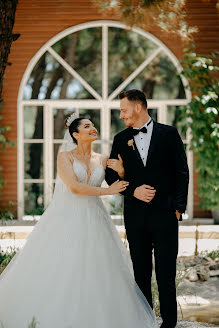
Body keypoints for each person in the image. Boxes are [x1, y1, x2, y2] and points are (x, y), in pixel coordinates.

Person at [0, 112, 158, 328]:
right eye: (86, 126)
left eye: (93, 125)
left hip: (96, 219)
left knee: (100, 269)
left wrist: (121, 172)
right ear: (75, 134)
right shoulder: (65, 157)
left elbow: (120, 188)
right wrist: (107, 191)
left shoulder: (103, 159)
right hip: (65, 219)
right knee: (63, 265)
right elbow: (74, 187)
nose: (93, 128)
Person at [106, 89, 189, 328]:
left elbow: (181, 172)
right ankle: (145, 321)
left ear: (138, 107)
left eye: (123, 110)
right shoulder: (121, 139)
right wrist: (132, 189)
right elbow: (110, 176)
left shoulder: (170, 134)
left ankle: (169, 323)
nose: (121, 115)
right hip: (135, 217)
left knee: (166, 273)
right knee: (140, 272)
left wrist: (178, 208)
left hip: (166, 214)